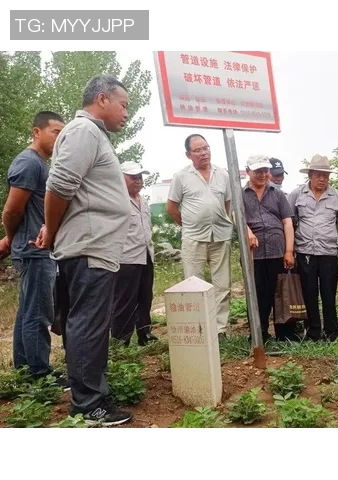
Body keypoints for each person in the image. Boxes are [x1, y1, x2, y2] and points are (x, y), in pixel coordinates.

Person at [34, 74, 133, 425]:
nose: (126, 113)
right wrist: (52, 229)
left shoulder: (92, 134)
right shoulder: (84, 131)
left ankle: (92, 394)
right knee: (88, 325)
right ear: (102, 99)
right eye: (123, 105)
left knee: (88, 324)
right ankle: (88, 405)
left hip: (95, 247)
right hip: (90, 247)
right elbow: (59, 186)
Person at [1, 111, 66, 386]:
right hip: (34, 248)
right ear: (37, 132)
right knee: (38, 312)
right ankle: (39, 374)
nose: (60, 138)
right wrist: (10, 238)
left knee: (29, 310)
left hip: (34, 248)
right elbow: (11, 210)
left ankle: (25, 371)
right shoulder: (30, 163)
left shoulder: (39, 163)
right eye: (55, 132)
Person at [167, 134, 233, 340]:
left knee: (222, 285)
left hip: (220, 236)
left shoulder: (223, 174)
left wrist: (218, 219)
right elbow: (172, 208)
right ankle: (199, 329)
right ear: (188, 154)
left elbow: (227, 204)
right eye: (198, 150)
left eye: (206, 148)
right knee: (194, 284)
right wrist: (189, 225)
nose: (204, 153)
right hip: (193, 238)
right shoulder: (181, 176)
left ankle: (220, 329)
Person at [288, 155, 338, 341]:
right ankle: (313, 331)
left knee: (329, 293)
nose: (322, 179)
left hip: (328, 252)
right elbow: (290, 221)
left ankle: (331, 331)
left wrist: (326, 234)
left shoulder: (337, 196)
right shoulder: (297, 195)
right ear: (310, 175)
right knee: (309, 292)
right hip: (305, 251)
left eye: (326, 175)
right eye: (318, 175)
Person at [243, 155, 296, 341]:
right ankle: (259, 334)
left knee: (281, 293)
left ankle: (285, 335)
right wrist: (248, 232)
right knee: (257, 294)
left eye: (265, 171)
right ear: (248, 171)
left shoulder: (277, 194)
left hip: (277, 251)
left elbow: (287, 222)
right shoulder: (240, 194)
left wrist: (289, 251)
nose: (262, 175)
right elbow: (236, 217)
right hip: (253, 254)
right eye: (258, 171)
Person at [111, 161, 158, 347]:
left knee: (145, 297)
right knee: (124, 300)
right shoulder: (117, 201)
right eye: (133, 177)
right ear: (121, 178)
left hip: (146, 255)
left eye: (140, 177)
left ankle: (145, 333)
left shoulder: (143, 200)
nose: (138, 180)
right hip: (126, 258)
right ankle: (121, 339)